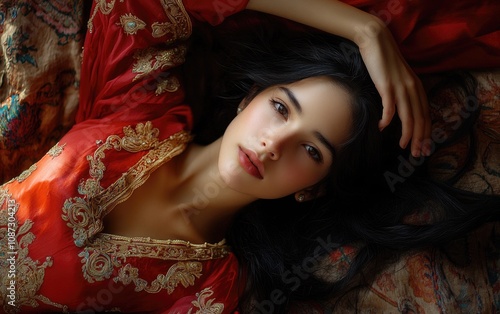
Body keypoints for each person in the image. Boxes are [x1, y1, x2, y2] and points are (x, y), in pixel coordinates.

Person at [0, 1, 498, 313]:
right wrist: (365, 29)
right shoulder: (142, 108)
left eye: (310, 150)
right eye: (280, 108)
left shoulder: (209, 291)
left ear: (313, 187)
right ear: (248, 98)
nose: (272, 144)